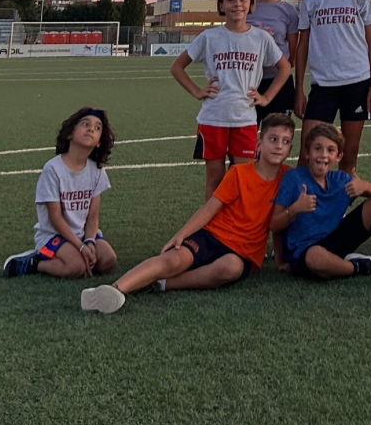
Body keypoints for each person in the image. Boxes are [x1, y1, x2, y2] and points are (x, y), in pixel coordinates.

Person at [79, 114, 296, 313]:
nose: (279, 146)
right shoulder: (239, 172)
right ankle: (114, 290)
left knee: (231, 268)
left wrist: (279, 258)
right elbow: (210, 208)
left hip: (243, 253)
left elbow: (277, 221)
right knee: (173, 260)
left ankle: (163, 284)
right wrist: (181, 235)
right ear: (258, 144)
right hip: (212, 235)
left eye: (285, 142)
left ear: (290, 149)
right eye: (273, 139)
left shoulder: (288, 178)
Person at [171, 0, 290, 199]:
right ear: (222, 5)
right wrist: (197, 91)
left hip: (244, 119)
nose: (237, 4)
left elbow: (284, 68)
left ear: (251, 5)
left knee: (243, 178)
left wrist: (266, 97)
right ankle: (213, 221)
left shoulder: (261, 38)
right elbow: (177, 67)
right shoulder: (210, 37)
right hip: (213, 118)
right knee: (215, 180)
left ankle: (239, 220)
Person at [270, 122, 371, 280]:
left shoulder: (340, 180)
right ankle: (359, 266)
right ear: (307, 152)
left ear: (338, 156)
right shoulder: (293, 178)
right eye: (318, 148)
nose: (323, 155)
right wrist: (295, 209)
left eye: (330, 150)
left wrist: (364, 186)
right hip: (304, 253)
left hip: (335, 242)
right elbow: (274, 225)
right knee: (315, 257)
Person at [295, 0, 371, 175]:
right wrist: (299, 89)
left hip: (357, 83)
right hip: (323, 86)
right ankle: (302, 200)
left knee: (348, 155)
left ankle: (340, 199)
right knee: (307, 154)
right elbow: (302, 47)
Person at [3, 107, 118, 279]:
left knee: (108, 260)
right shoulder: (53, 169)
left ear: (99, 142)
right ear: (70, 133)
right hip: (53, 234)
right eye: (85, 124)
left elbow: (92, 217)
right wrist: (81, 247)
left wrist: (89, 242)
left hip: (82, 234)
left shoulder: (96, 171)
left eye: (97, 128)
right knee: (75, 268)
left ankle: (78, 257)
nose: (91, 129)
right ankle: (34, 263)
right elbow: (55, 218)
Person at [241, 0, 299, 124]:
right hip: (247, 83)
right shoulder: (243, 8)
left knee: (276, 135)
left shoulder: (288, 11)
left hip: (279, 83)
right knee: (246, 136)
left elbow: (292, 55)